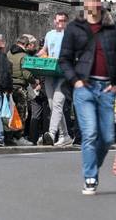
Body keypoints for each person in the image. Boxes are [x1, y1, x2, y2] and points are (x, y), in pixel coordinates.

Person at [59, 0, 116, 195]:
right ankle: (90, 177)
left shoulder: (114, 28)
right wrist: (76, 81)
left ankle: (92, 166)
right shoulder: (74, 28)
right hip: (85, 88)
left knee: (107, 137)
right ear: (84, 3)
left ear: (100, 2)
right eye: (89, 0)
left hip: (107, 88)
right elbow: (64, 59)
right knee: (90, 134)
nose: (92, 4)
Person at [39, 12, 74, 147]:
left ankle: (51, 133)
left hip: (64, 73)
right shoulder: (49, 34)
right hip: (50, 72)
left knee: (58, 103)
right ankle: (65, 135)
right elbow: (45, 50)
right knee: (53, 106)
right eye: (59, 21)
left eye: (64, 21)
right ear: (54, 21)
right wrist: (37, 56)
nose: (61, 23)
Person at [7, 35, 37, 146]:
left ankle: (9, 136)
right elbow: (26, 73)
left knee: (11, 113)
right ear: (25, 45)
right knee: (22, 113)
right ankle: (18, 137)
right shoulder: (24, 56)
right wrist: (34, 80)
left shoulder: (9, 53)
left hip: (10, 87)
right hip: (20, 87)